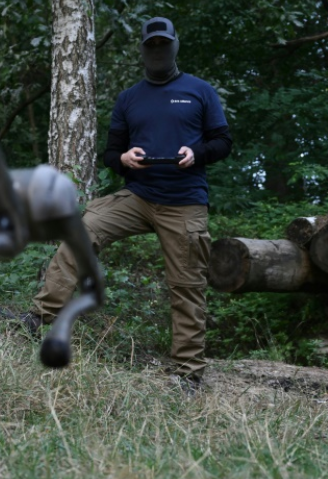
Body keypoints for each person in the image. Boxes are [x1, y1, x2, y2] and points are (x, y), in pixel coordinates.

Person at [26, 16, 233, 389]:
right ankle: (37, 318)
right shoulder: (129, 98)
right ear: (143, 49)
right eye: (150, 45)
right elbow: (110, 153)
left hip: (184, 202)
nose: (157, 51)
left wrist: (196, 153)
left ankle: (188, 374)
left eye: (162, 45)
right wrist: (123, 159)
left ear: (173, 45)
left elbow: (223, 142)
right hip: (137, 196)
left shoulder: (200, 91)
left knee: (186, 285)